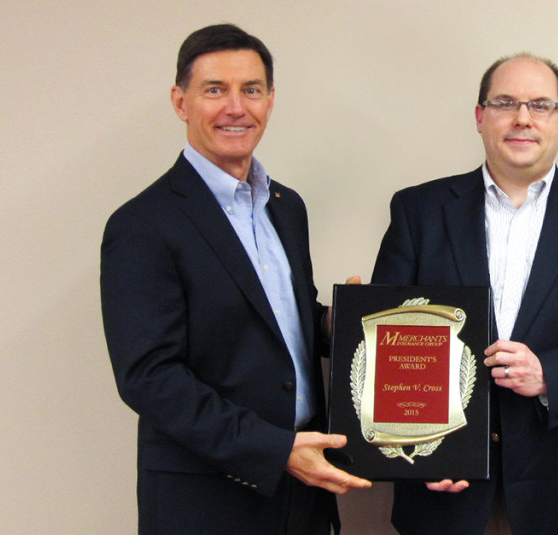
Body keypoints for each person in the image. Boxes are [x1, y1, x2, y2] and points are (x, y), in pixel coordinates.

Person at [370, 53, 558, 534]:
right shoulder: (418, 212)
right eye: (505, 103)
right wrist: (415, 455)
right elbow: (388, 349)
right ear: (480, 116)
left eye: (540, 105)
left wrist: (552, 373)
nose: (523, 118)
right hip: (444, 486)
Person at [100, 24, 370, 534]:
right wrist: (274, 450)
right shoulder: (142, 224)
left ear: (270, 101)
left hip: (303, 491)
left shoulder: (287, 207)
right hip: (207, 496)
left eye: (250, 90)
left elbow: (278, 327)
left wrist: (335, 323)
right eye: (214, 90)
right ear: (180, 102)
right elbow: (149, 376)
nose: (235, 107)